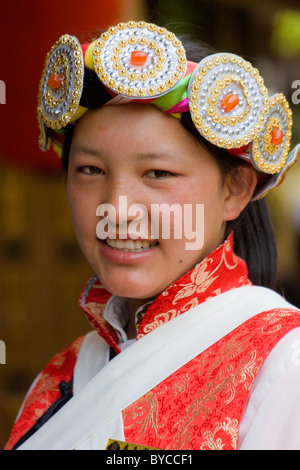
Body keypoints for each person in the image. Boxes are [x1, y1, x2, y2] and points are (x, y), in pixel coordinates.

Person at [5, 20, 300, 451]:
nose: (118, 209)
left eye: (158, 173)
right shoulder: (65, 373)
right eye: (91, 170)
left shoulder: (282, 364)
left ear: (235, 190)